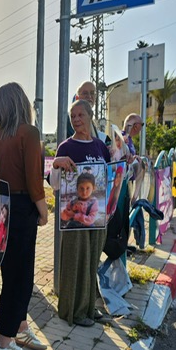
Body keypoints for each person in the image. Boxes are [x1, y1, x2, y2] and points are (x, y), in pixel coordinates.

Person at [0, 82, 48, 350]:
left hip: (1, 208)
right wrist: (43, 211)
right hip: (23, 208)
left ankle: (20, 327)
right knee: (20, 278)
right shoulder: (29, 133)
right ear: (22, 103)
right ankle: (4, 342)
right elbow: (34, 180)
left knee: (10, 273)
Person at [52, 99, 111, 327]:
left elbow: (108, 177)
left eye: (80, 115)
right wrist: (56, 164)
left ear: (90, 116)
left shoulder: (100, 147)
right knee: (74, 263)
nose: (76, 120)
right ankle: (73, 312)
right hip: (75, 219)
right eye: (73, 116)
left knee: (91, 262)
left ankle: (89, 307)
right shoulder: (66, 147)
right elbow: (55, 184)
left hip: (97, 216)